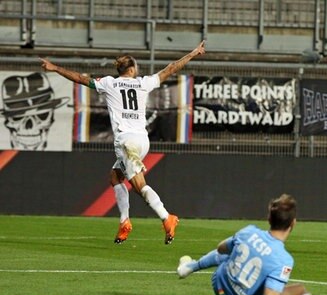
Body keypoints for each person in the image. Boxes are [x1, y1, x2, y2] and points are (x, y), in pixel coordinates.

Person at [39, 41, 206, 245]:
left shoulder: (109, 83)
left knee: (138, 185)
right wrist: (192, 53)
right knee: (116, 177)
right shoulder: (143, 82)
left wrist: (55, 68)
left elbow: (81, 79)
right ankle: (124, 221)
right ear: (133, 69)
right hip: (142, 141)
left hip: (127, 142)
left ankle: (166, 217)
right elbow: (170, 68)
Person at [176, 194, 315, 295]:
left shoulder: (248, 232)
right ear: (293, 223)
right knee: (289, 290)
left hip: (219, 284)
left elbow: (220, 248)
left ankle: (190, 267)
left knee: (232, 250)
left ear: (269, 219)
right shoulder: (284, 260)